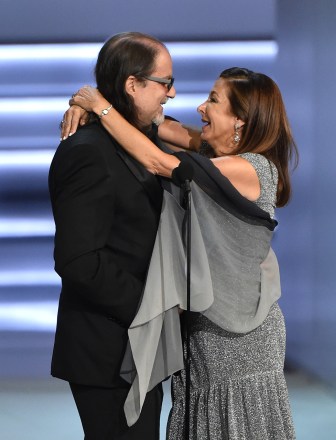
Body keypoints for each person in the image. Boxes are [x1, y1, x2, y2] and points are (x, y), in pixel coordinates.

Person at [64, 67, 298, 439]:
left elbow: (159, 162)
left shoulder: (251, 168)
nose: (201, 107)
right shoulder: (213, 156)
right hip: (203, 332)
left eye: (214, 101)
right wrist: (91, 104)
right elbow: (156, 124)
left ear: (240, 120)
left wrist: (100, 106)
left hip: (241, 339)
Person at [49, 31, 177, 440]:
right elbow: (79, 261)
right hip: (108, 348)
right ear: (132, 84)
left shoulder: (141, 141)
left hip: (139, 344)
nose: (171, 94)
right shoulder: (89, 150)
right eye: (165, 82)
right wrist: (149, 307)